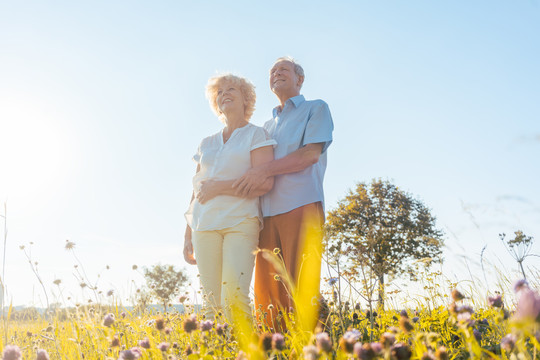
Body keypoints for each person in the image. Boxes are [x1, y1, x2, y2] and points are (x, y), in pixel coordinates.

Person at [233, 57, 334, 329]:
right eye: (273, 71)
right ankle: (273, 349)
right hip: (265, 214)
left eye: (284, 70)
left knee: (301, 284)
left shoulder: (316, 108)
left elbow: (309, 154)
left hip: (300, 205)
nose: (277, 73)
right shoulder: (265, 126)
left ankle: (307, 348)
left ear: (299, 79)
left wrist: (264, 171)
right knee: (267, 294)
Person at [184, 74, 276, 321]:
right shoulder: (206, 143)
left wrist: (220, 188)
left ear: (246, 98)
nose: (224, 93)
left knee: (234, 298)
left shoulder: (257, 135)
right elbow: (197, 189)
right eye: (219, 91)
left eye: (231, 89)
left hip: (240, 222)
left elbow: (265, 183)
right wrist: (187, 234)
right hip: (203, 227)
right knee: (211, 302)